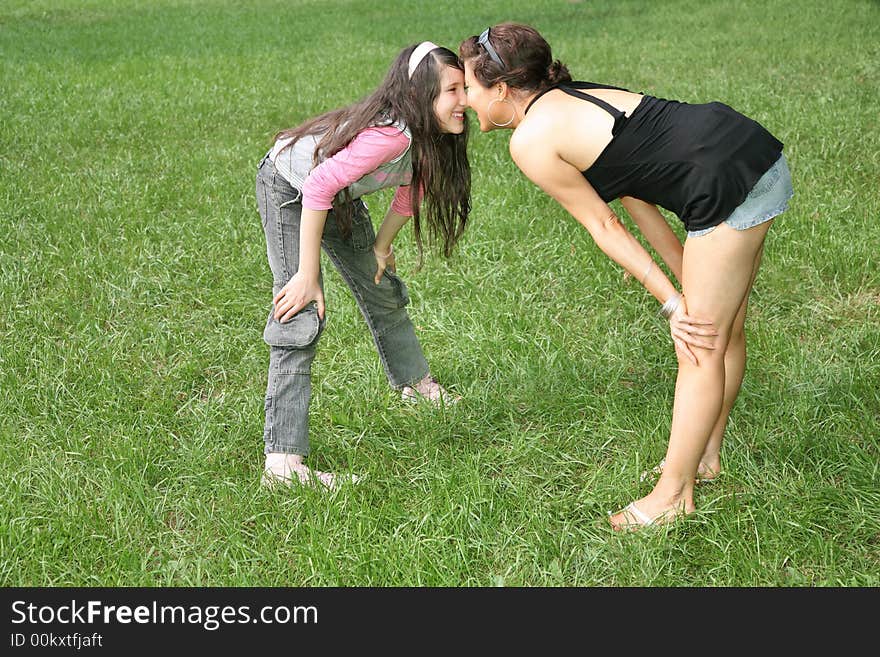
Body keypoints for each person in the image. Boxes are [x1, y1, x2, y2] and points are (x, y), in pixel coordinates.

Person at [459, 24, 793, 530]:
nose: (465, 100)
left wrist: (674, 305)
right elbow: (636, 191)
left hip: (725, 184)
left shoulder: (530, 140)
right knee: (722, 330)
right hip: (750, 151)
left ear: (501, 90)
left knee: (698, 343)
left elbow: (604, 224)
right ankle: (705, 456)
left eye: (469, 88)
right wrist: (683, 277)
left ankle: (672, 497)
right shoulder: (568, 95)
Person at [256, 42, 470, 489]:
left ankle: (416, 384)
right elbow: (316, 187)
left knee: (382, 289)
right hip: (291, 189)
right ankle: (283, 466)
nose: (464, 100)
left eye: (465, 88)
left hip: (336, 198)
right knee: (300, 310)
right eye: (453, 90)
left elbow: (409, 193)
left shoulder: (430, 140)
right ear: (421, 94)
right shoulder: (391, 136)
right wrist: (307, 274)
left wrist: (381, 249)